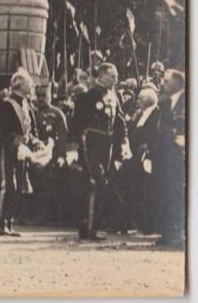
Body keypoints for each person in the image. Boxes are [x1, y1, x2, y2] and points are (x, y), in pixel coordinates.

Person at [69, 62, 131, 241]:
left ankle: (89, 224)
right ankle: (89, 226)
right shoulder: (87, 97)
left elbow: (119, 121)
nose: (116, 79)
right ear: (101, 76)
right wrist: (72, 149)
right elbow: (76, 124)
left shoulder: (114, 96)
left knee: (102, 183)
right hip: (90, 143)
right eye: (112, 76)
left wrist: (124, 142)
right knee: (96, 182)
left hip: (108, 146)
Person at [0, 68, 40, 237]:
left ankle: (9, 222)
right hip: (7, 151)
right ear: (19, 85)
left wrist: (36, 142)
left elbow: (29, 131)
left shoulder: (27, 105)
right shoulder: (7, 105)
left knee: (19, 187)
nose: (32, 86)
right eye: (29, 83)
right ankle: (1, 223)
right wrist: (16, 142)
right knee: (8, 186)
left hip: (21, 152)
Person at [116, 87, 160, 234]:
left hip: (148, 157)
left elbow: (157, 134)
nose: (138, 101)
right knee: (127, 187)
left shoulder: (157, 113)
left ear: (148, 100)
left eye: (140, 99)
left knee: (146, 191)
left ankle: (148, 225)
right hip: (134, 156)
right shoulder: (139, 114)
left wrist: (149, 147)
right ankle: (127, 222)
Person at [151, 69, 185, 247]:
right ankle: (167, 233)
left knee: (179, 194)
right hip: (165, 155)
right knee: (166, 192)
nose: (162, 84)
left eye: (166, 81)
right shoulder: (164, 103)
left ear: (178, 83)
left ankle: (179, 234)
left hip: (182, 155)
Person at [30, 83, 69, 224]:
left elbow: (63, 137)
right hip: (33, 153)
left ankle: (46, 216)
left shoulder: (57, 114)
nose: (41, 99)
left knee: (47, 186)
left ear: (50, 96)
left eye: (44, 95)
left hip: (50, 155)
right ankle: (30, 213)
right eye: (38, 95)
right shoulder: (32, 112)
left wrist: (61, 156)